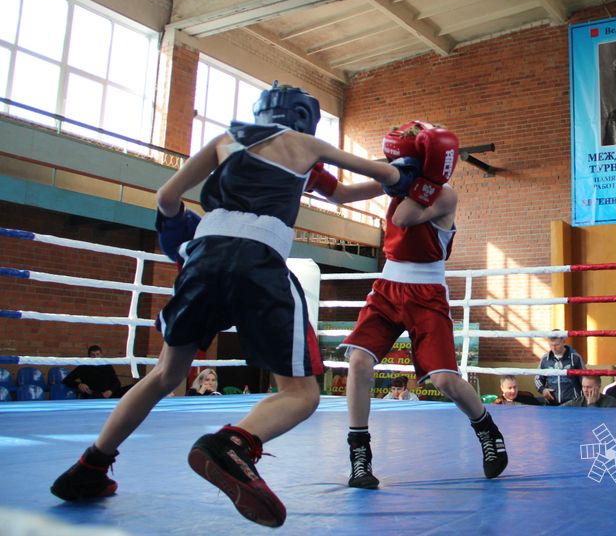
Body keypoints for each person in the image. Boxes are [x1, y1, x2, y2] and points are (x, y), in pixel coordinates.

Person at [50, 83, 407, 527]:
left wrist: (184, 232)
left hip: (202, 257)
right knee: (301, 394)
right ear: (304, 118)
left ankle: (90, 467)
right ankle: (234, 443)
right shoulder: (305, 145)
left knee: (165, 374)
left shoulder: (226, 139)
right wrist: (407, 170)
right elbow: (383, 179)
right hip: (258, 260)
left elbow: (166, 199)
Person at [317, 120, 507, 490]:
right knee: (358, 362)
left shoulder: (445, 196)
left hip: (427, 292)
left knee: (444, 380)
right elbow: (340, 195)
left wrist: (401, 179)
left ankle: (487, 429)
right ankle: (360, 456)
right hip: (388, 287)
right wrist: (312, 174)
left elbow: (404, 217)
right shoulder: (398, 180)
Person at [535, 334, 584, 405]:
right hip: (552, 402)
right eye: (551, 345)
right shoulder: (545, 359)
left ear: (564, 342)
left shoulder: (575, 358)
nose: (554, 348)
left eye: (557, 345)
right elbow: (537, 378)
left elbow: (584, 378)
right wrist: (543, 390)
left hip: (573, 402)